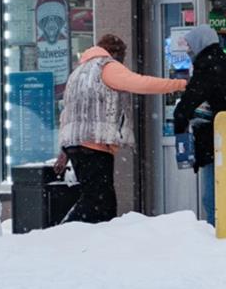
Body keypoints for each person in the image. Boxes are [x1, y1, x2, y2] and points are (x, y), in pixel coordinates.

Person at [57, 34, 186, 223]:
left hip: (75, 143)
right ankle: (65, 235)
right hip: (94, 144)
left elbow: (67, 113)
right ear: (117, 53)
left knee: (95, 198)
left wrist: (64, 151)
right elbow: (140, 83)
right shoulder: (107, 67)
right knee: (99, 202)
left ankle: (84, 238)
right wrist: (180, 84)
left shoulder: (79, 72)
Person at [173, 25, 226, 227]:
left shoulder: (207, 67)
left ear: (200, 43)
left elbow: (191, 100)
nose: (188, 50)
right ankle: (221, 234)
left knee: (213, 196)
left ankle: (218, 239)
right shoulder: (224, 64)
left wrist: (179, 120)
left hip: (214, 140)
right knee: (219, 193)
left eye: (190, 45)